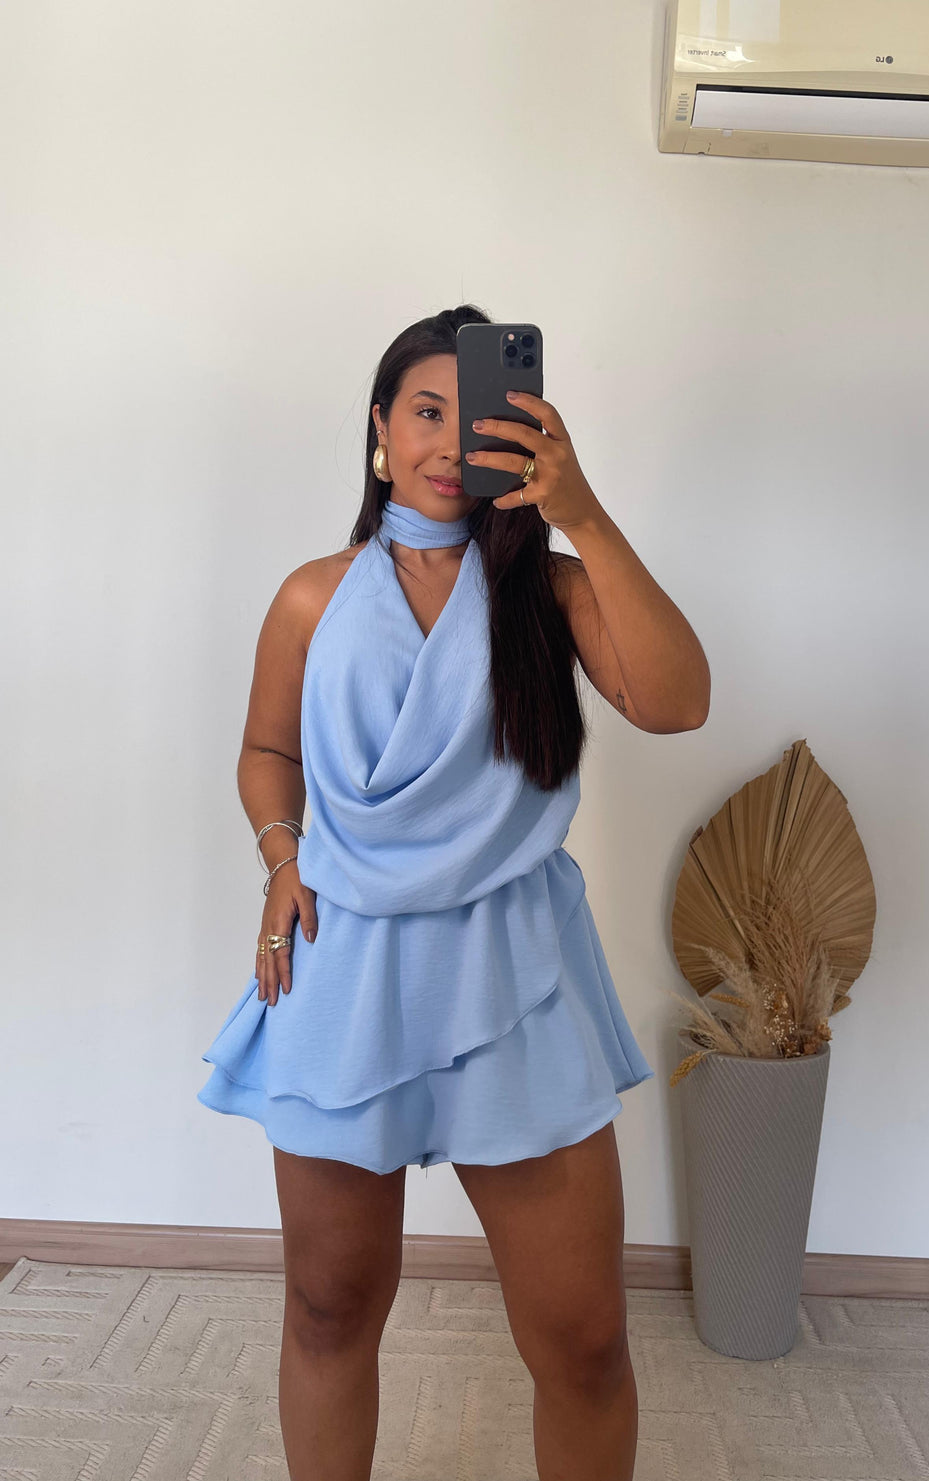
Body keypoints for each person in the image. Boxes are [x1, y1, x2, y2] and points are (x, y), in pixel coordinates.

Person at [197, 304, 711, 1481]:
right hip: (346, 966)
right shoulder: (312, 596)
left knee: (585, 1338)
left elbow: (678, 701)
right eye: (426, 410)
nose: (448, 438)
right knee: (327, 1305)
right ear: (380, 430)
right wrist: (282, 858)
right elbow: (266, 751)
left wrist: (581, 512)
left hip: (514, 975)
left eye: (479, 415)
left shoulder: (552, 589)